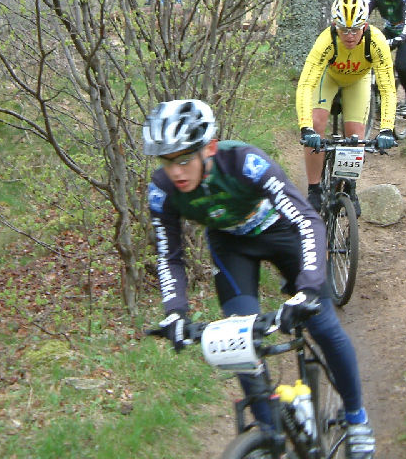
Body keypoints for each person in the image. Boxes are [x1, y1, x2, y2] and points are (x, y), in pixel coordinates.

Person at [144, 99, 376, 459]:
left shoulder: (244, 163)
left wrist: (310, 289)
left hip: (283, 232)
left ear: (209, 148)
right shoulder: (162, 192)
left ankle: (356, 417)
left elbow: (307, 220)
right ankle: (271, 436)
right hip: (231, 244)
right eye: (167, 161)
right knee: (239, 340)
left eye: (184, 158)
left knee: (324, 324)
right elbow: (169, 255)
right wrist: (175, 312)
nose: (176, 171)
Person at [296, 0, 397, 215]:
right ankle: (314, 189)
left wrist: (387, 128)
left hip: (357, 82)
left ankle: (349, 187)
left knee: (356, 135)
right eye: (344, 29)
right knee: (317, 123)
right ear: (335, 25)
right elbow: (305, 85)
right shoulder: (326, 40)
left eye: (355, 29)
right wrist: (306, 126)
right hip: (329, 78)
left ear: (365, 25)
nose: (349, 36)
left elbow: (387, 88)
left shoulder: (376, 41)